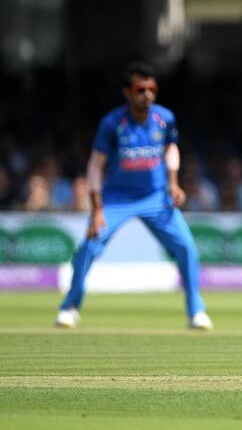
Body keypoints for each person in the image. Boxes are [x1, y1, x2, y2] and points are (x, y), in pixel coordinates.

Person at [55, 62, 213, 330]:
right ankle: (70, 306)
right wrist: (96, 208)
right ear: (127, 92)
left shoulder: (164, 118)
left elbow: (171, 149)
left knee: (186, 247)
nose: (147, 95)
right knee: (88, 248)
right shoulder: (113, 123)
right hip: (116, 198)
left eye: (152, 89)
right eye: (141, 89)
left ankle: (196, 311)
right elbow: (95, 165)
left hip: (155, 197)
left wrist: (173, 183)